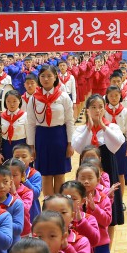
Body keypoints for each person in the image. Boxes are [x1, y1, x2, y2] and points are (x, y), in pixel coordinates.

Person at [26, 65, 74, 197]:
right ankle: (48, 204)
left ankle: (59, 203)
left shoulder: (63, 97)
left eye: (49, 76)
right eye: (42, 76)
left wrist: (70, 143)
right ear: (39, 79)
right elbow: (30, 124)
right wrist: (31, 146)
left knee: (59, 173)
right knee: (45, 174)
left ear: (55, 77)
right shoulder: (33, 99)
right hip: (42, 137)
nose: (46, 79)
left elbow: (70, 121)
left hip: (59, 137)